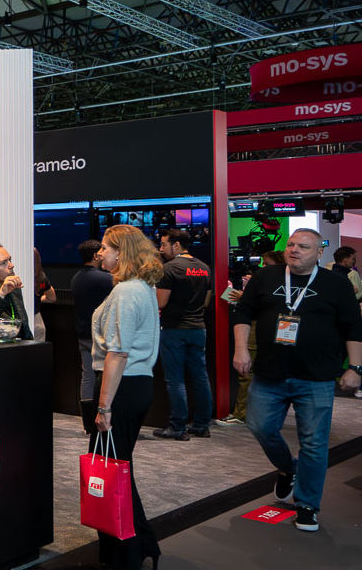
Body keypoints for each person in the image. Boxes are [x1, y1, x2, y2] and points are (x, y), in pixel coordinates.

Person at [233, 228, 362, 532]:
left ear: (319, 253)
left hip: (316, 377)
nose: (294, 250)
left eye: (303, 247)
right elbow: (242, 313)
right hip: (269, 372)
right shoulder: (266, 277)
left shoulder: (336, 283)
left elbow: (353, 328)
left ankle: (306, 504)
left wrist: (355, 368)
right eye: (291, 244)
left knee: (314, 444)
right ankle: (287, 468)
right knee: (260, 426)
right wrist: (241, 350)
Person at [89, 224, 163, 570]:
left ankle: (124, 558)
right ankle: (142, 545)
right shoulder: (142, 288)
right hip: (137, 385)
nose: (100, 253)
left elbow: (116, 354)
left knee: (111, 471)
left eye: (106, 247)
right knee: (120, 470)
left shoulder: (126, 292)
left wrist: (103, 407)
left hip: (122, 387)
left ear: (123, 252)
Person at [153, 228, 214, 441]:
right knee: (200, 377)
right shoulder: (204, 268)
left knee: (175, 379)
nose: (161, 249)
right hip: (198, 328)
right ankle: (201, 425)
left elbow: (161, 302)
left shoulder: (170, 269)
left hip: (174, 330)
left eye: (163, 244)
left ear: (176, 245)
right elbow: (206, 301)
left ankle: (177, 427)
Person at [217, 249, 284, 426]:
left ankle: (241, 414)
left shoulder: (277, 283)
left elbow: (265, 306)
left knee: (248, 373)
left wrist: (244, 297)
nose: (262, 267)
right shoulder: (268, 281)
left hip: (260, 329)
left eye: (266, 263)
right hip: (265, 329)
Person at [70, 239, 113, 433]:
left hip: (83, 334)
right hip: (102, 336)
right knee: (106, 376)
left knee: (87, 375)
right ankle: (105, 417)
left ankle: (88, 423)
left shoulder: (77, 277)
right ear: (96, 255)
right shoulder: (106, 279)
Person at [31, 248, 56, 342]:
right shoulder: (41, 279)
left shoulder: (13, 277)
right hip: (36, 321)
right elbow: (52, 298)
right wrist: (37, 299)